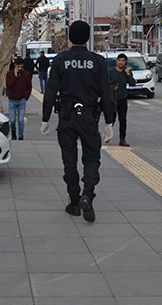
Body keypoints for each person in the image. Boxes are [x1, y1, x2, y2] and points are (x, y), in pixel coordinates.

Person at [40, 20, 115, 223]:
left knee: (69, 160)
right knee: (91, 158)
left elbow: (50, 91)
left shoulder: (60, 60)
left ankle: (74, 202)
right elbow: (107, 94)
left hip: (66, 116)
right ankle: (87, 194)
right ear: (88, 37)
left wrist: (45, 118)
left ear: (69, 37)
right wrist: (110, 122)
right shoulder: (98, 61)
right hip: (89, 116)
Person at [108, 53, 136, 147]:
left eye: (123, 60)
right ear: (117, 61)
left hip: (122, 99)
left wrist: (128, 75)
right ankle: (107, 134)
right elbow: (105, 84)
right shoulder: (110, 72)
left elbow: (132, 83)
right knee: (111, 119)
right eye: (119, 60)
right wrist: (112, 87)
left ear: (126, 62)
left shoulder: (127, 72)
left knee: (122, 120)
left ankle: (122, 139)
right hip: (112, 99)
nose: (121, 62)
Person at [5, 57, 32, 140]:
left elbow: (29, 87)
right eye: (18, 67)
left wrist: (26, 97)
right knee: (12, 120)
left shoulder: (26, 74)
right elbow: (9, 85)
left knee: (21, 120)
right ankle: (13, 133)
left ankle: (21, 136)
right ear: (15, 66)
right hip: (12, 100)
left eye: (21, 67)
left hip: (21, 100)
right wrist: (15, 76)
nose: (20, 69)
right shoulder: (9, 74)